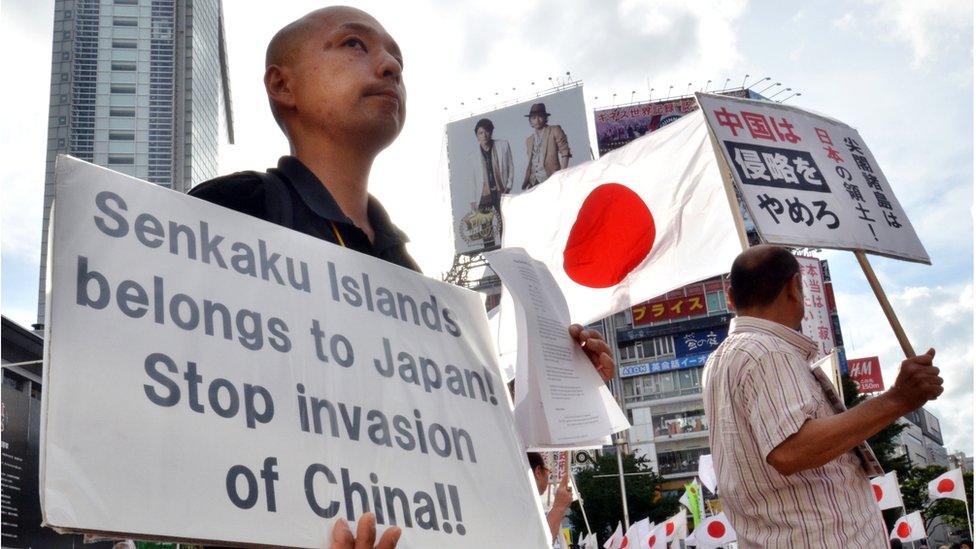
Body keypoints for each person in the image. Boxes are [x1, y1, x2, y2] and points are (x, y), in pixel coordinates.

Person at [187, 6, 616, 546]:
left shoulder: (413, 276)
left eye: (398, 58)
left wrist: (562, 386)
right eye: (353, 45)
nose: (388, 66)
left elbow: (448, 424)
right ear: (282, 84)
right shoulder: (229, 213)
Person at [702, 245, 943, 548]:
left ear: (729, 296)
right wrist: (898, 399)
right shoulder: (766, 350)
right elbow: (791, 449)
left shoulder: (720, 360)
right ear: (793, 286)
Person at [521, 103, 572, 189]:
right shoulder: (529, 140)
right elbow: (532, 162)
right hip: (533, 182)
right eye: (533, 118)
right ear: (530, 121)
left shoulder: (555, 130)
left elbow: (565, 153)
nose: (537, 120)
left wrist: (561, 175)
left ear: (545, 118)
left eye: (540, 117)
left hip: (550, 178)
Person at [469, 117, 514, 214]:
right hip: (484, 194)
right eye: (480, 133)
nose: (484, 135)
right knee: (485, 225)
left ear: (491, 132)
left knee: (503, 221)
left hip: (500, 191)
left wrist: (509, 186)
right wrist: (472, 199)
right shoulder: (473, 156)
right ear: (477, 136)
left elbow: (511, 167)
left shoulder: (503, 145)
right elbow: (472, 178)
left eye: (487, 131)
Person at [528, 452, 573, 547]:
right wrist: (559, 507)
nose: (548, 476)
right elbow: (540, 543)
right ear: (538, 472)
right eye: (548, 470)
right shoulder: (524, 506)